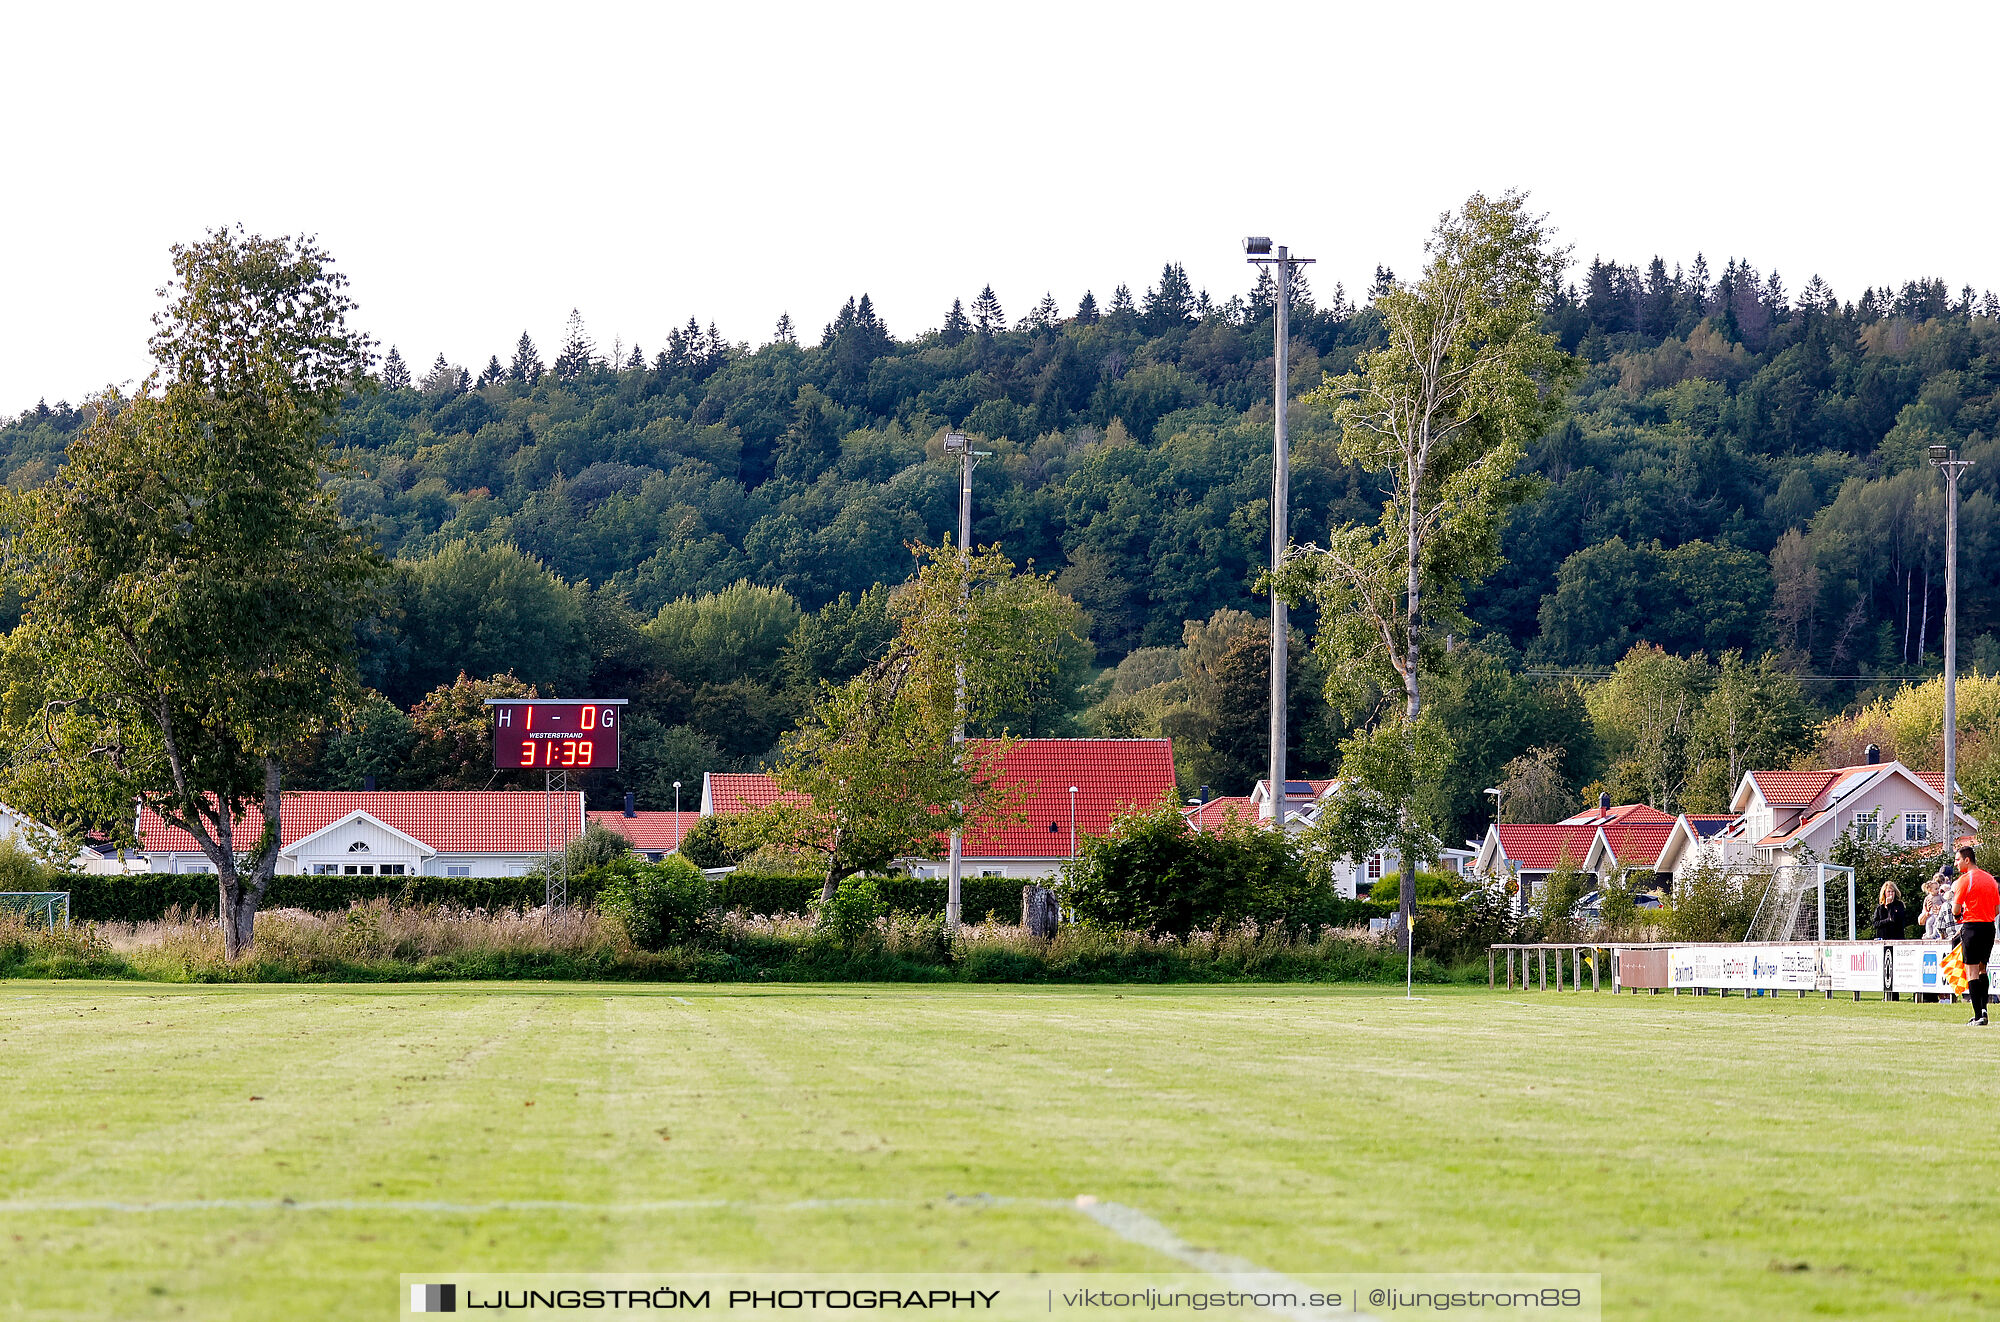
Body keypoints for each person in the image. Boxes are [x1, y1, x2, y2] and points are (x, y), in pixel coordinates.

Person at [1949, 844, 1997, 1026]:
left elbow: (1956, 909)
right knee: (1983, 968)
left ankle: (1978, 1016)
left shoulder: (1964, 880)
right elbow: (1997, 909)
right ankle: (1984, 1009)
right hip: (1989, 927)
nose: (1956, 863)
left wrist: (1960, 915)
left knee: (1972, 971)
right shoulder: (1991, 879)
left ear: (1966, 860)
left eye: (1957, 859)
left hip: (1971, 928)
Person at [1872, 882, 1908, 998]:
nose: (1890, 894)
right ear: (1884, 893)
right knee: (1885, 969)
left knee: (1895, 970)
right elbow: (1876, 923)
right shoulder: (1880, 908)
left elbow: (1897, 921)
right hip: (1883, 940)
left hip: (1897, 940)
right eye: (1888, 892)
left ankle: (1895, 996)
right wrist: (1887, 919)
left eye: (1892, 892)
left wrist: (1891, 908)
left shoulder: (1899, 905)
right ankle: (1886, 995)